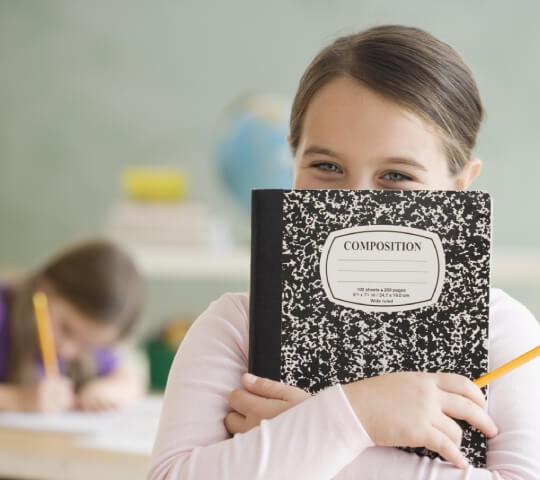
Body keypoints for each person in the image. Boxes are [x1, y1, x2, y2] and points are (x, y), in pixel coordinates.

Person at [148, 25, 540, 479]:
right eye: (326, 166)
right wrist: (356, 414)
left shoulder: (501, 332)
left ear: (459, 187)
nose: (354, 201)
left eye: (397, 176)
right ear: (291, 163)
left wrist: (327, 433)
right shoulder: (236, 328)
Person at [0, 239, 146, 412]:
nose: (67, 350)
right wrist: (19, 400)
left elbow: (129, 378)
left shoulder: (90, 338)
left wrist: (107, 391)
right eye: (66, 329)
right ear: (43, 289)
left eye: (88, 345)